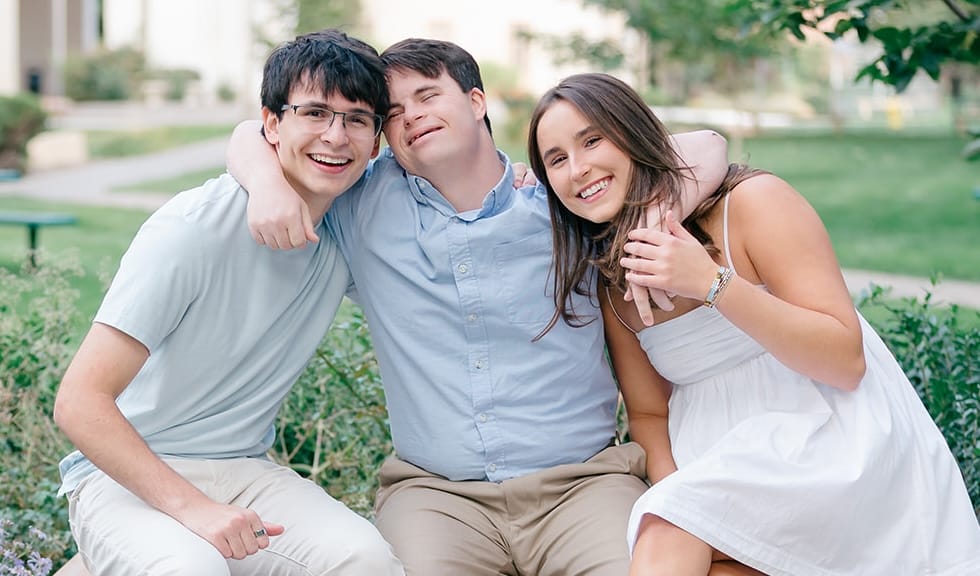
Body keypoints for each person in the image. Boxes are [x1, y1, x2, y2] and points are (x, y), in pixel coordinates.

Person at [228, 38, 729, 575]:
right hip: (437, 498)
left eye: (427, 96)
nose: (412, 116)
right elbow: (250, 133)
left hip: (582, 484)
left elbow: (707, 144)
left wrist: (656, 214)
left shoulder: (561, 200)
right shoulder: (362, 208)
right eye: (394, 113)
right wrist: (264, 183)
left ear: (475, 102)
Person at [528, 71, 980, 576]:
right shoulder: (615, 281)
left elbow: (845, 361)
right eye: (557, 160)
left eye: (592, 140)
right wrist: (679, 493)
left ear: (632, 134)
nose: (579, 169)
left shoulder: (751, 204)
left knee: (666, 530)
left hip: (831, 438)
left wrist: (712, 283)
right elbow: (650, 415)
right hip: (717, 461)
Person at [52, 29, 403, 576]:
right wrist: (195, 510)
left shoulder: (353, 224)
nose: (336, 136)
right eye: (314, 113)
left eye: (357, 119)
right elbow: (79, 401)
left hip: (243, 469)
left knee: (365, 560)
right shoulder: (192, 228)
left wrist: (516, 176)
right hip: (123, 476)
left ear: (376, 139)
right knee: (190, 568)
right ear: (272, 124)